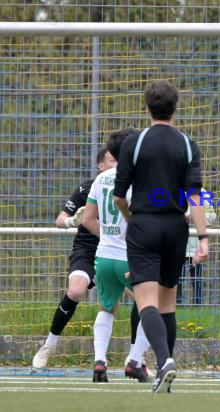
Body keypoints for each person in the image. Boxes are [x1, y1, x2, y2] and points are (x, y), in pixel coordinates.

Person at [114, 80, 208, 393]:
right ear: (175, 108)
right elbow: (195, 196)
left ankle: (165, 361)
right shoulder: (186, 143)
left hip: (144, 225)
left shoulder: (134, 143)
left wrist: (133, 220)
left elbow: (119, 197)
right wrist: (203, 238)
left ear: (147, 107)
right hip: (176, 228)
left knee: (146, 303)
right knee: (168, 302)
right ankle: (162, 378)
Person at [32, 148, 118, 368]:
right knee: (75, 291)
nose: (116, 163)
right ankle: (48, 346)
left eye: (118, 159)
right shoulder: (88, 188)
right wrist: (72, 221)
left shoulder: (131, 186)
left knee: (142, 297)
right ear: (100, 166)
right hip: (87, 251)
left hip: (118, 251)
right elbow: (61, 219)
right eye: (111, 160)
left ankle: (137, 356)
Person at [82, 128, 151, 383]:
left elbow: (88, 219)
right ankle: (135, 361)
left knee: (107, 307)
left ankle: (100, 362)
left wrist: (110, 237)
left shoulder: (100, 179)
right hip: (130, 256)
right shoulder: (139, 179)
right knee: (152, 307)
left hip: (104, 256)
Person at [177, 188, 217, 305]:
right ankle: (177, 309)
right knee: (177, 281)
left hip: (197, 248)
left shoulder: (202, 192)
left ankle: (198, 308)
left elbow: (212, 216)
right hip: (177, 247)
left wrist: (195, 217)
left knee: (197, 282)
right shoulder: (172, 188)